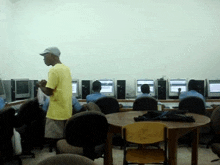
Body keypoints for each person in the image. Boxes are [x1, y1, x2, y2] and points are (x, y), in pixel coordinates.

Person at [38, 47, 72, 152]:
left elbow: (49, 92)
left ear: (52, 55)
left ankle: (60, 160)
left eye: (45, 56)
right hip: (66, 110)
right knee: (63, 140)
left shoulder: (53, 70)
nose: (43, 59)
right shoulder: (66, 69)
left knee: (56, 141)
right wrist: (45, 85)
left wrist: (40, 86)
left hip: (56, 113)